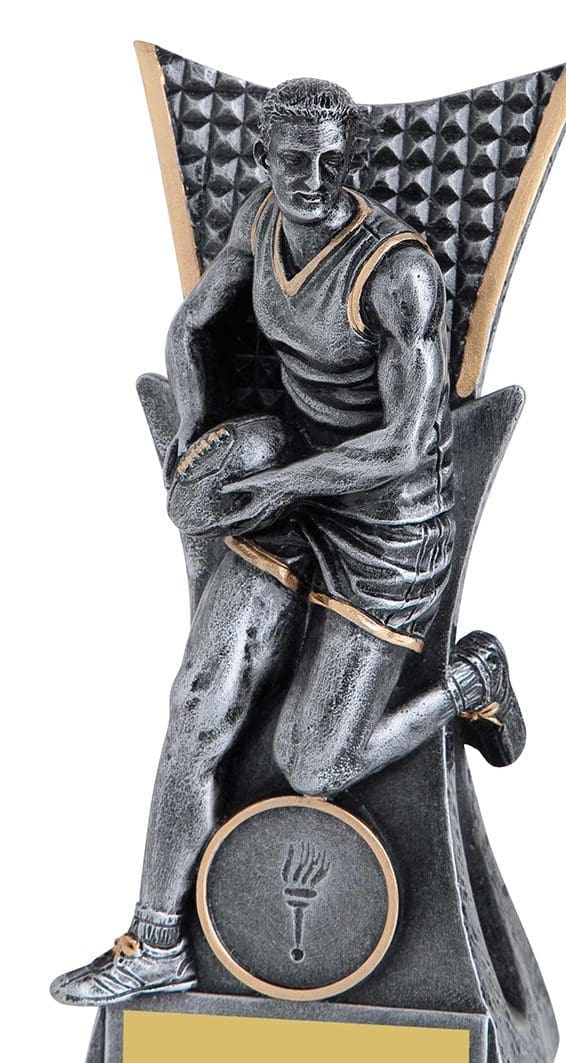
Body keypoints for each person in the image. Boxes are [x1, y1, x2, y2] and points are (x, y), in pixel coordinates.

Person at [51, 78, 524, 1006]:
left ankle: (472, 680)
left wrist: (270, 487)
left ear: (354, 162)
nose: (310, 179)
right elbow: (192, 328)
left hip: (390, 522)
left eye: (330, 162)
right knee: (197, 702)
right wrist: (195, 451)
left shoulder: (398, 272)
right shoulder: (260, 218)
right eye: (292, 159)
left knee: (317, 765)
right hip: (296, 481)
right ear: (265, 155)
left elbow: (402, 443)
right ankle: (156, 943)